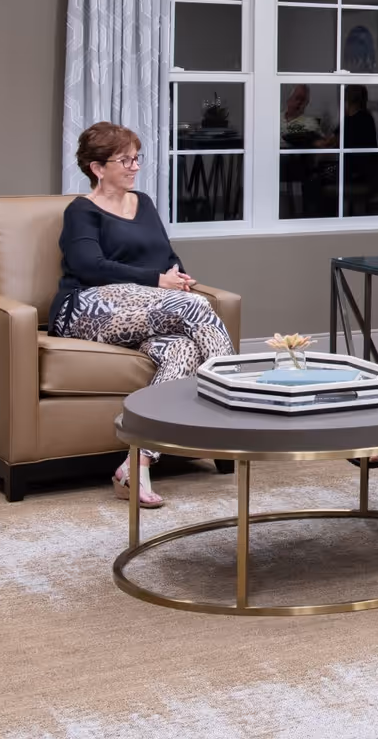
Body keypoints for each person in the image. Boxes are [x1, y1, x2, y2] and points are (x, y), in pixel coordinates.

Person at [53, 121, 233, 509]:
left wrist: (178, 276)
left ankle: (138, 462)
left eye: (137, 158)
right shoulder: (81, 212)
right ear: (97, 168)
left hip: (145, 309)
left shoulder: (145, 203)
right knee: (196, 305)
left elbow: (165, 256)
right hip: (88, 307)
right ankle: (236, 407)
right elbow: (89, 265)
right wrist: (158, 281)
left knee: (182, 351)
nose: (135, 167)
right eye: (124, 160)